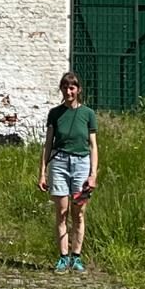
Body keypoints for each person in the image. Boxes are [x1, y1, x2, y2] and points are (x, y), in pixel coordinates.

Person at [36, 71, 98, 273]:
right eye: (65, 88)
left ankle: (76, 257)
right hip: (60, 163)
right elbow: (48, 144)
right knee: (61, 212)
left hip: (81, 164)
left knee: (78, 213)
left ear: (78, 90)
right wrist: (42, 172)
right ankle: (63, 257)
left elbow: (93, 146)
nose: (68, 92)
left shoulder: (88, 114)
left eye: (72, 88)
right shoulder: (55, 114)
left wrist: (93, 175)